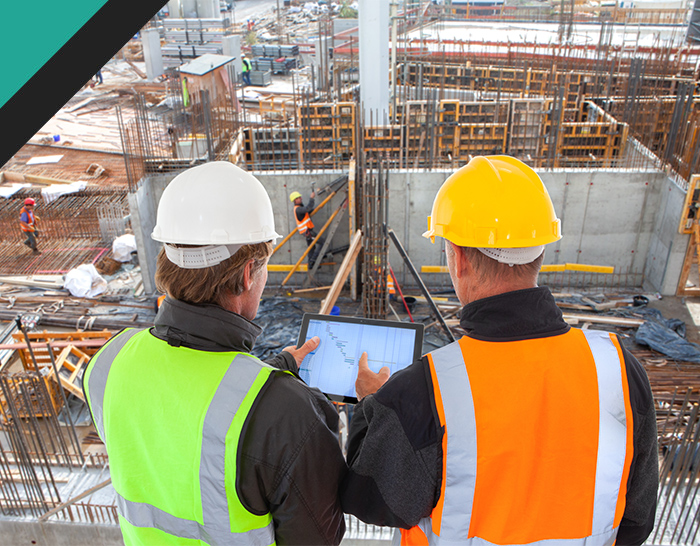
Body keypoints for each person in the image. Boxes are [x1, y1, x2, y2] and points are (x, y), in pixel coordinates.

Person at [340, 155, 658, 545]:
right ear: (541, 251)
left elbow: (368, 497)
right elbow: (637, 520)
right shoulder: (619, 370)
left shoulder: (425, 391)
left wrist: (370, 404)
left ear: (457, 259)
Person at [84, 162, 347, 545]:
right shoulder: (289, 414)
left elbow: (185, 421)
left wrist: (278, 372)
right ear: (246, 275)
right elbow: (319, 538)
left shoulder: (107, 363)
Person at [290, 190, 325, 268]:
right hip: (307, 232)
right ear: (295, 200)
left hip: (307, 231)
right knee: (322, 242)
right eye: (299, 198)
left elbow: (307, 211)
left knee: (311, 247)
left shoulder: (300, 208)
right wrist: (311, 198)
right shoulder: (298, 209)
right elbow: (308, 208)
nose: (301, 198)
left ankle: (311, 264)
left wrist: (317, 208)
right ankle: (313, 260)